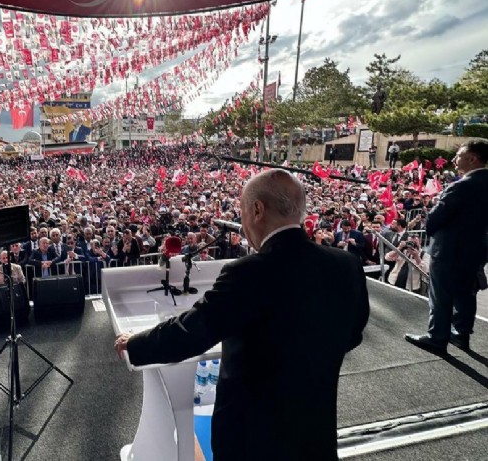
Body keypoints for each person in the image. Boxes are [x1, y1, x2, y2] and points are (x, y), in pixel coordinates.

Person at [114, 169, 369, 461]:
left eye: (242, 210)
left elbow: (192, 332)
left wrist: (136, 343)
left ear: (257, 210)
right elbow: (353, 332)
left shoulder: (248, 272)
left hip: (252, 439)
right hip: (315, 433)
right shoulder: (346, 264)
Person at [405, 140, 488, 353]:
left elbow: (435, 219)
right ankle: (461, 334)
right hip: (476, 250)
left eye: (459, 154)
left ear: (473, 158)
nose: (454, 159)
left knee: (440, 295)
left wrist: (431, 223)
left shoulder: (461, 186)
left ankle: (437, 337)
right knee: (465, 293)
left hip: (448, 250)